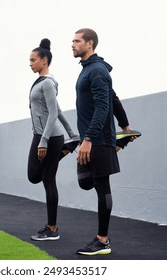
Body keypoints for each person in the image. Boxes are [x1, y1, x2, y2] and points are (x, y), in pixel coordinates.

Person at [72, 28, 120, 255]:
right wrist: (126, 125)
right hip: (91, 139)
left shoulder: (97, 70)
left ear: (89, 43)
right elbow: (113, 98)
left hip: (98, 140)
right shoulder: (89, 69)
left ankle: (103, 241)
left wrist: (89, 138)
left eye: (77, 41)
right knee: (85, 181)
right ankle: (103, 240)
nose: (72, 44)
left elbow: (103, 106)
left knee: (102, 187)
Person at [27, 38, 78, 241]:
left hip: (47, 137)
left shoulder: (47, 83)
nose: (30, 63)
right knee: (34, 175)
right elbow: (56, 110)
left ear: (44, 60)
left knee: (47, 179)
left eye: (33, 60)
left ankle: (52, 228)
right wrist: (72, 134)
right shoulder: (41, 82)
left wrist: (44, 141)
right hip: (46, 136)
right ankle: (65, 148)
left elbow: (53, 114)